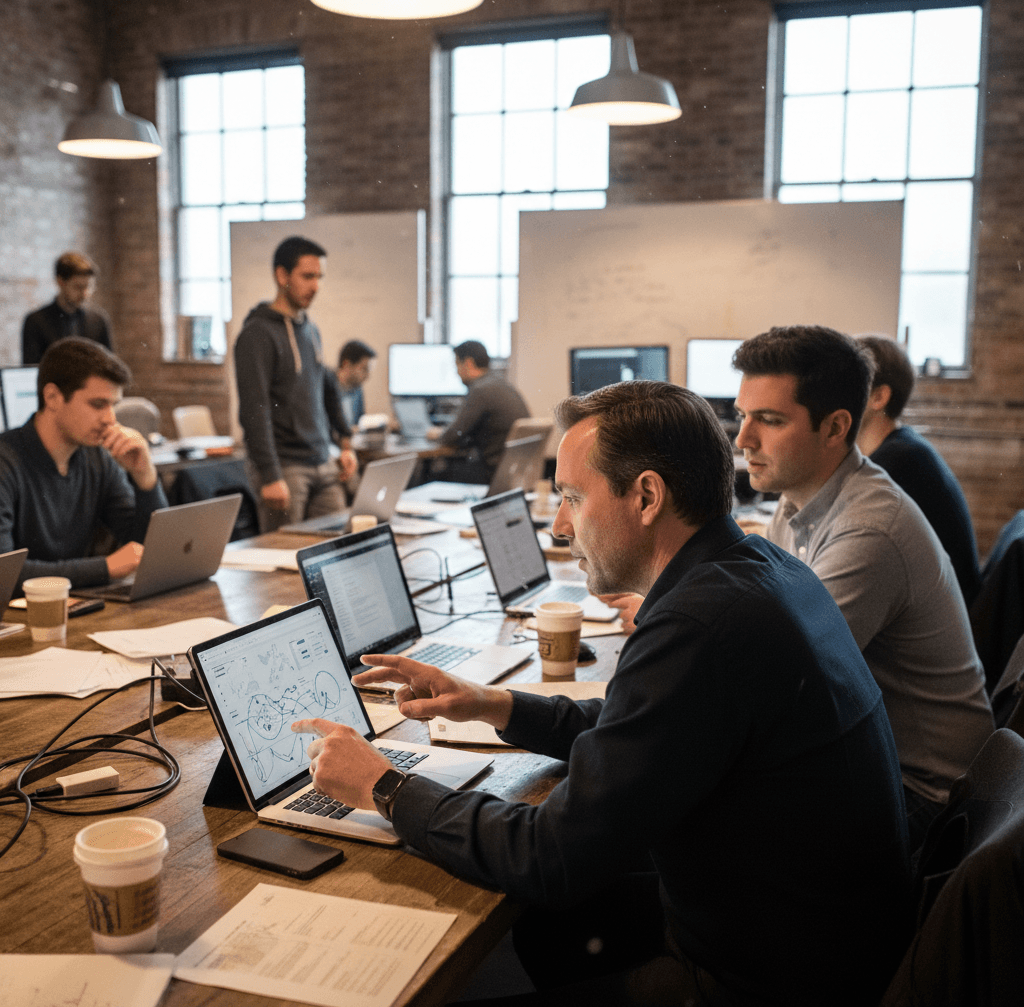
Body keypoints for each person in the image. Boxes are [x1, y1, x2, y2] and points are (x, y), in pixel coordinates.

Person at [293, 379, 912, 1007]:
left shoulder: (699, 626)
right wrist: (492, 704)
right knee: (543, 927)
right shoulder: (760, 570)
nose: (560, 526)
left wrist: (384, 785)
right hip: (816, 939)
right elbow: (647, 724)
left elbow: (548, 856)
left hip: (760, 980)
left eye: (571, 498)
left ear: (646, 495)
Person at [732, 325, 993, 848]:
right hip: (869, 758)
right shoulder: (801, 498)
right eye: (743, 416)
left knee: (700, 821)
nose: (743, 440)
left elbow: (782, 681)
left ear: (835, 427)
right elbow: (767, 620)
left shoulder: (870, 529)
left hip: (924, 796)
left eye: (770, 420)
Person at [0, 337, 167, 588]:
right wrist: (106, 568)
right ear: (53, 397)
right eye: (98, 404)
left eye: (113, 405)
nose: (110, 419)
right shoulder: (5, 462)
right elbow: (4, 573)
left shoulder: (97, 457)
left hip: (80, 608)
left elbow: (145, 549)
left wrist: (145, 477)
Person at [234, 236, 359, 531]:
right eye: (307, 276)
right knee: (283, 561)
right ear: (282, 275)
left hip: (321, 461)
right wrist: (270, 475)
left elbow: (327, 387)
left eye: (319, 277)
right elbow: (254, 408)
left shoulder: (310, 329)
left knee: (337, 547)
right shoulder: (257, 335)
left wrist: (345, 441)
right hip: (285, 468)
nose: (315, 286)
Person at [857, 334, 981, 605]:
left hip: (940, 616)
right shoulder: (902, 448)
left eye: (848, 385)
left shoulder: (899, 461)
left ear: (879, 397)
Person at [426, 339, 529, 483]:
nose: (456, 372)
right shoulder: (500, 384)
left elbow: (452, 436)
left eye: (456, 364)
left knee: (430, 474)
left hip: (490, 473)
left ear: (467, 363)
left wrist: (437, 433)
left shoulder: (480, 390)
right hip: (510, 471)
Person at [22, 252, 113, 364]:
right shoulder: (36, 321)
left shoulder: (98, 321)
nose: (85, 293)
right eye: (78, 287)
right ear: (60, 282)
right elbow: (32, 368)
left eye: (88, 286)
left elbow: (109, 367)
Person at [336, 339, 376, 430]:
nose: (368, 376)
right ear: (346, 364)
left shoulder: (357, 390)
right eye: (364, 369)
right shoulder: (326, 388)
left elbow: (359, 423)